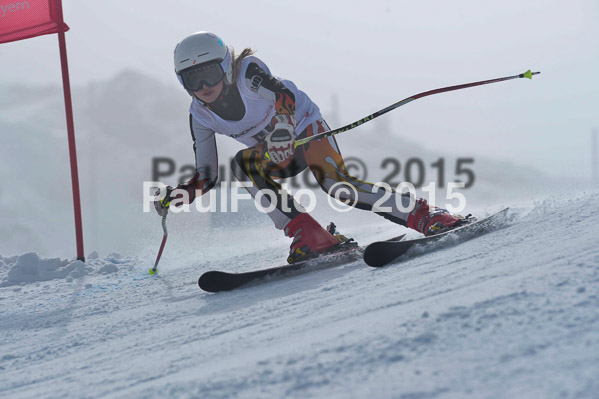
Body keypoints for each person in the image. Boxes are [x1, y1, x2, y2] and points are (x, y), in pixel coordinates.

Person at [154, 31, 465, 263]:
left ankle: (427, 215)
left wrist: (284, 127)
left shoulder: (247, 71)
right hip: (276, 154)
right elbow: (206, 176)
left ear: (224, 67)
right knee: (241, 165)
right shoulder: (200, 115)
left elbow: (283, 94)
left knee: (338, 187)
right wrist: (176, 196)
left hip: (305, 131)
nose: (204, 87)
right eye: (192, 81)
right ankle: (310, 234)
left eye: (208, 74)